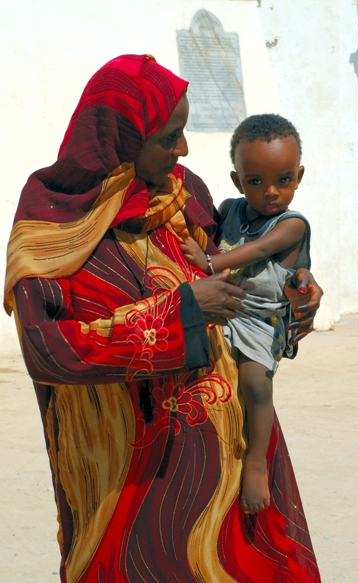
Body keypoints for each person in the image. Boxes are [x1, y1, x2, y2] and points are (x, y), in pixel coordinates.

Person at [4, 55, 323, 583]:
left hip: (229, 447)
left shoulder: (184, 191)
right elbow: (47, 351)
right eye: (169, 136)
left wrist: (299, 287)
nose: (184, 149)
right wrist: (183, 311)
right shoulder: (53, 216)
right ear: (124, 139)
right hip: (131, 475)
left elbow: (241, 261)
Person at [181, 113, 310, 516]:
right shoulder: (230, 208)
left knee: (255, 383)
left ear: (299, 176)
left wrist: (209, 261)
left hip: (260, 319)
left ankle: (256, 462)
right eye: (255, 181)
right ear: (238, 181)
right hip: (223, 304)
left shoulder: (292, 225)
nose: (271, 192)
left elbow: (255, 251)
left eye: (283, 179)